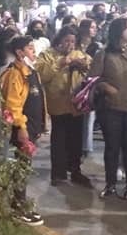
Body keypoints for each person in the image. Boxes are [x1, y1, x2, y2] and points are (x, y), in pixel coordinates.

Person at [89, 17, 127, 200]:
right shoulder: (104, 54)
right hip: (111, 107)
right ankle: (110, 184)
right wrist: (106, 87)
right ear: (118, 32)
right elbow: (93, 78)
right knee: (112, 146)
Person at [36, 26, 92, 187]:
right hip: (57, 104)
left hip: (76, 105)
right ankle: (58, 173)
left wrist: (82, 66)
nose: (70, 44)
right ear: (59, 39)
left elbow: (91, 69)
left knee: (76, 139)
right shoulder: (47, 54)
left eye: (73, 41)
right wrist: (61, 63)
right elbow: (42, 76)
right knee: (59, 139)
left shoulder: (79, 54)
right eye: (67, 40)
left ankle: (75, 170)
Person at [0, 35, 45, 225]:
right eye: (30, 49)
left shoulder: (30, 71)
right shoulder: (15, 74)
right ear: (19, 52)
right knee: (22, 167)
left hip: (33, 127)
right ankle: (18, 206)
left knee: (24, 167)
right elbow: (12, 105)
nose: (34, 52)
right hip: (23, 129)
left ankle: (20, 203)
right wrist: (22, 128)